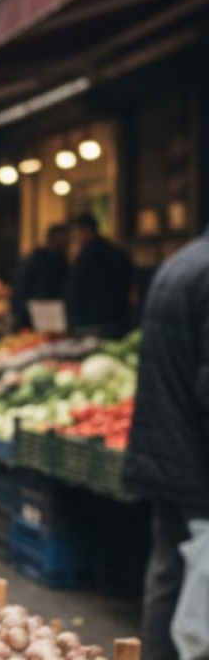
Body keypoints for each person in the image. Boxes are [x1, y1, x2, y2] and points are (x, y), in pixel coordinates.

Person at [122, 225, 209, 660]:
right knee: (194, 583)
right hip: (196, 459)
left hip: (166, 452)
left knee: (170, 575)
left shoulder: (179, 263)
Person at [64, 214, 134, 336]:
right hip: (118, 319)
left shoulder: (85, 257)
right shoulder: (117, 253)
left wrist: (71, 319)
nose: (76, 239)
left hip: (90, 323)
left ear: (87, 231)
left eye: (77, 234)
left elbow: (75, 289)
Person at [11, 224, 69, 330]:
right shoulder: (36, 259)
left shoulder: (62, 261)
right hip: (37, 310)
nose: (66, 243)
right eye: (63, 239)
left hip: (54, 310)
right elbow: (21, 286)